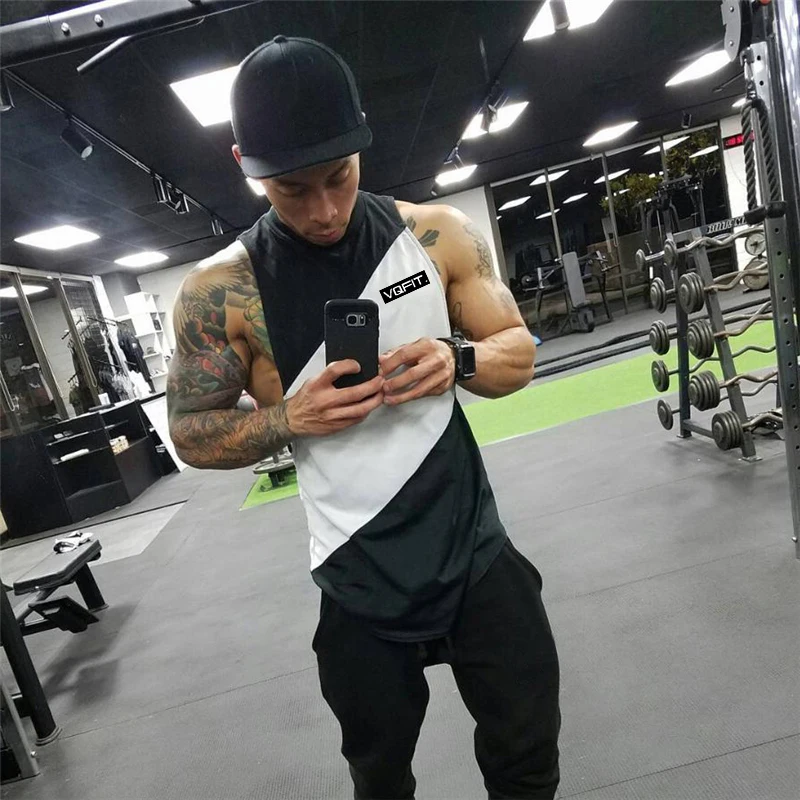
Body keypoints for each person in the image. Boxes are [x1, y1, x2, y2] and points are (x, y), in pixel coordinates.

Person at [167, 35, 560, 800]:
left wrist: (457, 359)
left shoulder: (436, 235)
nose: (324, 211)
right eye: (292, 190)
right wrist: (289, 419)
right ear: (246, 165)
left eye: (339, 178)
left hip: (476, 555)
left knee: (528, 761)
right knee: (380, 783)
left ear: (361, 142)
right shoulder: (220, 293)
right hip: (357, 581)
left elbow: (518, 353)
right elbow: (189, 433)